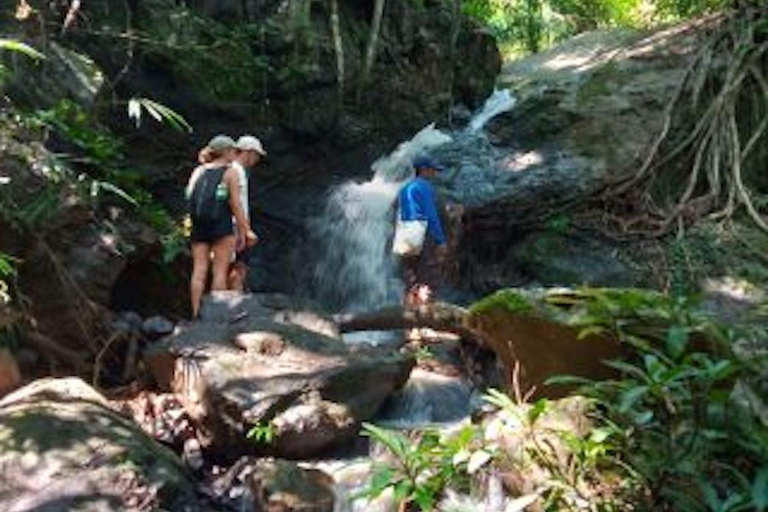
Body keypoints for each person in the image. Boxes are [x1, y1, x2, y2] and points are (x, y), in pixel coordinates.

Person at [186, 135, 253, 319]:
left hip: (199, 226)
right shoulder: (230, 172)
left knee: (199, 270)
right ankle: (216, 316)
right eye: (233, 150)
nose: (235, 153)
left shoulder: (198, 171)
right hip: (221, 226)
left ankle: (195, 313)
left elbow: (189, 197)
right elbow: (236, 204)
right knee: (219, 271)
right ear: (226, 152)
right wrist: (245, 230)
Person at [393, 155, 449, 305]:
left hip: (404, 234)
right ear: (424, 170)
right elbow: (431, 215)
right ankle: (427, 316)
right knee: (428, 278)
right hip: (422, 234)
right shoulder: (424, 187)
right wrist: (441, 241)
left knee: (411, 278)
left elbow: (397, 213)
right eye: (432, 170)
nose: (434, 174)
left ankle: (409, 317)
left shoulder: (404, 188)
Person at [227, 134, 266, 292]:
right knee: (237, 265)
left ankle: (233, 297)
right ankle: (233, 300)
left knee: (236, 263)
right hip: (234, 226)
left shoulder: (232, 169)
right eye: (256, 155)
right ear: (248, 152)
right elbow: (236, 203)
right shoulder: (236, 171)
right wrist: (245, 230)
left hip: (230, 225)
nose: (257, 160)